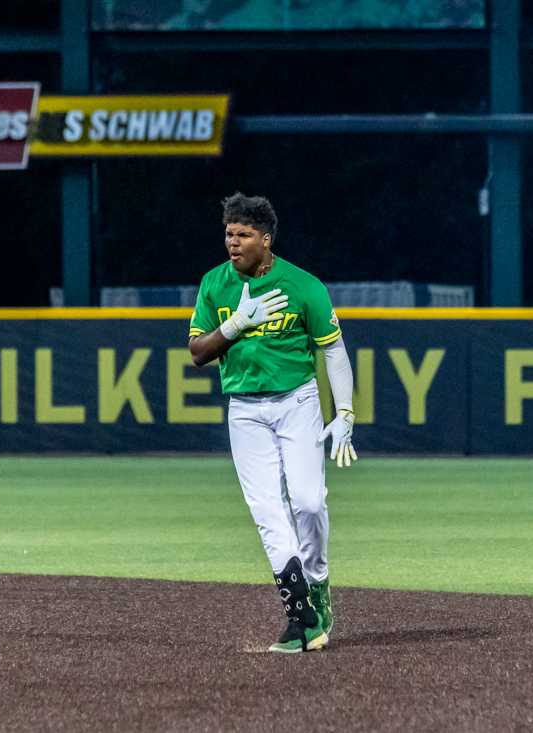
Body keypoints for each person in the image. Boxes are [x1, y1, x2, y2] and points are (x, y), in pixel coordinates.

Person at [188, 192, 357, 654]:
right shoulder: (214, 285)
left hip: (296, 401)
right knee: (268, 512)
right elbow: (199, 352)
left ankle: (318, 579)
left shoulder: (303, 286)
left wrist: (344, 412)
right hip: (245, 409)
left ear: (265, 238)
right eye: (228, 234)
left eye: (243, 235)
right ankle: (301, 616)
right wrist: (236, 325)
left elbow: (333, 350)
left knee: (307, 502)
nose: (233, 243)